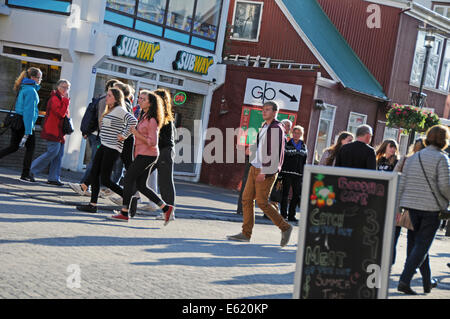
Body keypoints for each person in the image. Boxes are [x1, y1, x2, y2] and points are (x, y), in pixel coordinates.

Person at [227, 101, 293, 247]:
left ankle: (285, 227)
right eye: (263, 110)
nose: (264, 112)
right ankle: (245, 233)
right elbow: (261, 143)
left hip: (265, 170)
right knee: (246, 199)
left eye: (267, 110)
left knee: (262, 202)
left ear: (275, 112)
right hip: (254, 166)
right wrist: (251, 150)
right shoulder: (265, 126)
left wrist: (265, 170)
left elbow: (275, 152)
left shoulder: (277, 128)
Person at [397, 125, 450, 295]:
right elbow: (444, 185)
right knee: (422, 246)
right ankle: (404, 280)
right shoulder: (442, 159)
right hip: (431, 208)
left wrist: (398, 205)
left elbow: (402, 182)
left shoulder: (414, 157)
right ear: (444, 140)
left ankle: (427, 283)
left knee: (416, 245)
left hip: (411, 206)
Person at [108, 90, 175, 225]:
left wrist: (136, 134)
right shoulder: (144, 115)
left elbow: (152, 142)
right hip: (142, 153)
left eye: (143, 99)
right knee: (141, 185)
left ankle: (125, 212)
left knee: (129, 178)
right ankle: (166, 208)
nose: (139, 100)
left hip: (149, 154)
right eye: (139, 98)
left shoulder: (153, 119)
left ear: (151, 103)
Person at [76, 87, 137, 213]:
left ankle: (128, 196)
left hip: (113, 148)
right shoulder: (110, 109)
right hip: (104, 145)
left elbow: (133, 120)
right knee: (94, 173)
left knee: (105, 179)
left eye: (109, 95)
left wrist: (124, 135)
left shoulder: (120, 110)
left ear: (115, 98)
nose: (106, 97)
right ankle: (93, 205)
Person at [69, 78, 120, 196]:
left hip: (98, 135)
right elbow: (102, 120)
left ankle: (88, 192)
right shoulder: (104, 101)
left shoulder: (105, 100)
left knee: (97, 164)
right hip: (99, 136)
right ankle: (84, 186)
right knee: (95, 163)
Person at [0, 67, 42, 182]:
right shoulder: (31, 91)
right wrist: (28, 131)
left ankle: (26, 173)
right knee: (31, 148)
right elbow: (29, 112)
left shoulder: (23, 88)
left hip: (17, 121)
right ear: (33, 78)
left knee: (13, 146)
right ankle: (25, 174)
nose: (40, 80)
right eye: (39, 77)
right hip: (25, 123)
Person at [29, 79, 71, 185]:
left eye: (67, 87)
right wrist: (66, 102)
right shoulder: (55, 99)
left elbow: (66, 115)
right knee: (52, 152)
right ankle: (32, 170)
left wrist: (65, 102)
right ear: (57, 87)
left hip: (60, 132)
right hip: (53, 131)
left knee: (58, 154)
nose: (65, 89)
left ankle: (53, 178)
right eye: (63, 87)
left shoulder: (62, 99)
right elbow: (60, 114)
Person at [392, 138, 425, 266]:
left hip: (400, 199)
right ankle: (409, 263)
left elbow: (395, 175)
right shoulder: (423, 162)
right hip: (415, 202)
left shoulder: (406, 159)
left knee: (395, 233)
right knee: (412, 237)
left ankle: (391, 259)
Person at [152, 88, 177, 221]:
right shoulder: (166, 114)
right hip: (163, 150)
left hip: (164, 151)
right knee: (138, 174)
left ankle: (170, 212)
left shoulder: (164, 116)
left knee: (165, 182)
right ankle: (126, 203)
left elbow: (163, 137)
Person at [280, 125, 307, 222]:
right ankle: (283, 214)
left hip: (298, 174)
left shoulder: (304, 146)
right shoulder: (287, 144)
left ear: (301, 135)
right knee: (285, 194)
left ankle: (292, 215)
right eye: (295, 133)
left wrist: (304, 174)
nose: (296, 135)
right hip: (287, 173)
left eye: (299, 133)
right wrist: (280, 173)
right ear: (292, 133)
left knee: (296, 195)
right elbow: (283, 159)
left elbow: (304, 161)